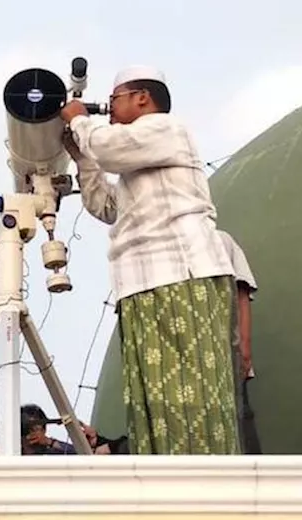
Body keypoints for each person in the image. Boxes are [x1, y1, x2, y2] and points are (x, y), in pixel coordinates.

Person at [60, 66, 239, 455]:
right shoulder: (134, 158)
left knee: (191, 394)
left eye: (117, 97)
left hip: (181, 275)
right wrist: (83, 159)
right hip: (144, 284)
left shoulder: (166, 129)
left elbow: (109, 149)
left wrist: (79, 121)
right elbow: (105, 206)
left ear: (142, 98)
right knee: (154, 400)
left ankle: (206, 488)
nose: (110, 106)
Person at [219, 229, 262, 454]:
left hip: (227, 357)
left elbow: (242, 292)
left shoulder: (221, 240)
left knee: (241, 425)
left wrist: (244, 349)